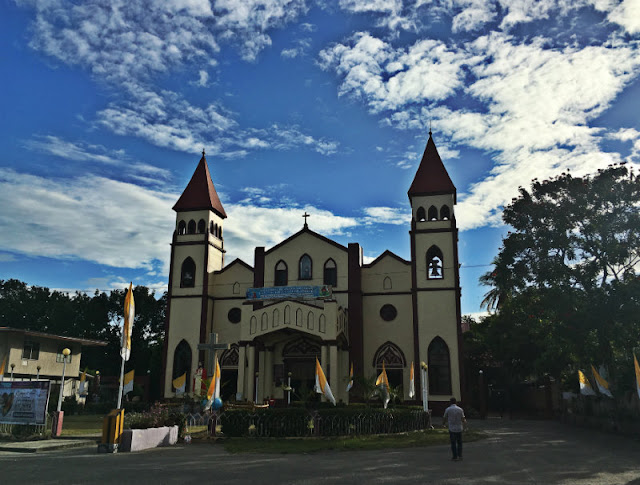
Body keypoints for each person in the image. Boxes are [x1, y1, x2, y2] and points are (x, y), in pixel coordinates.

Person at [443, 397, 467, 461]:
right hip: (459, 427)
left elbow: (445, 418)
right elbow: (463, 419)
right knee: (459, 442)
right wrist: (464, 426)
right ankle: (460, 455)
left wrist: (444, 424)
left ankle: (455, 456)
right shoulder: (460, 409)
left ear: (450, 402)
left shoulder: (448, 409)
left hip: (452, 428)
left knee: (453, 443)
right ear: (456, 402)